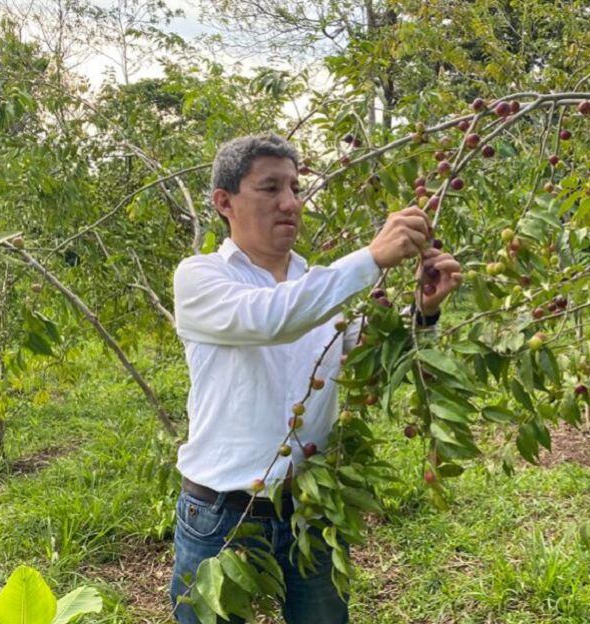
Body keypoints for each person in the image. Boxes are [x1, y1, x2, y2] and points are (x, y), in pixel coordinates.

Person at [169, 133, 462, 623]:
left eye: (294, 187)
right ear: (225, 203)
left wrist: (423, 312)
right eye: (269, 189)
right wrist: (370, 259)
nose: (290, 203)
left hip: (310, 505)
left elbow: (364, 355)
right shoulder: (200, 279)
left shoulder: (317, 286)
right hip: (219, 515)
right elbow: (273, 319)